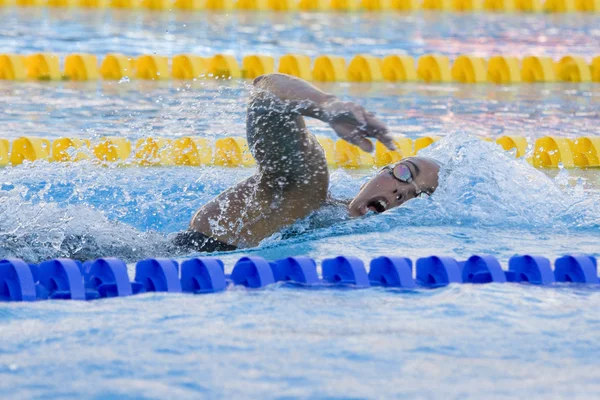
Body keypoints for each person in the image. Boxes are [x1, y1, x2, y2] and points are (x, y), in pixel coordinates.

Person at [173, 73, 440, 252]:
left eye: (417, 195)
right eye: (405, 173)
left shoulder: (346, 232)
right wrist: (326, 105)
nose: (401, 192)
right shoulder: (306, 190)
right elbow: (266, 92)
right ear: (380, 172)